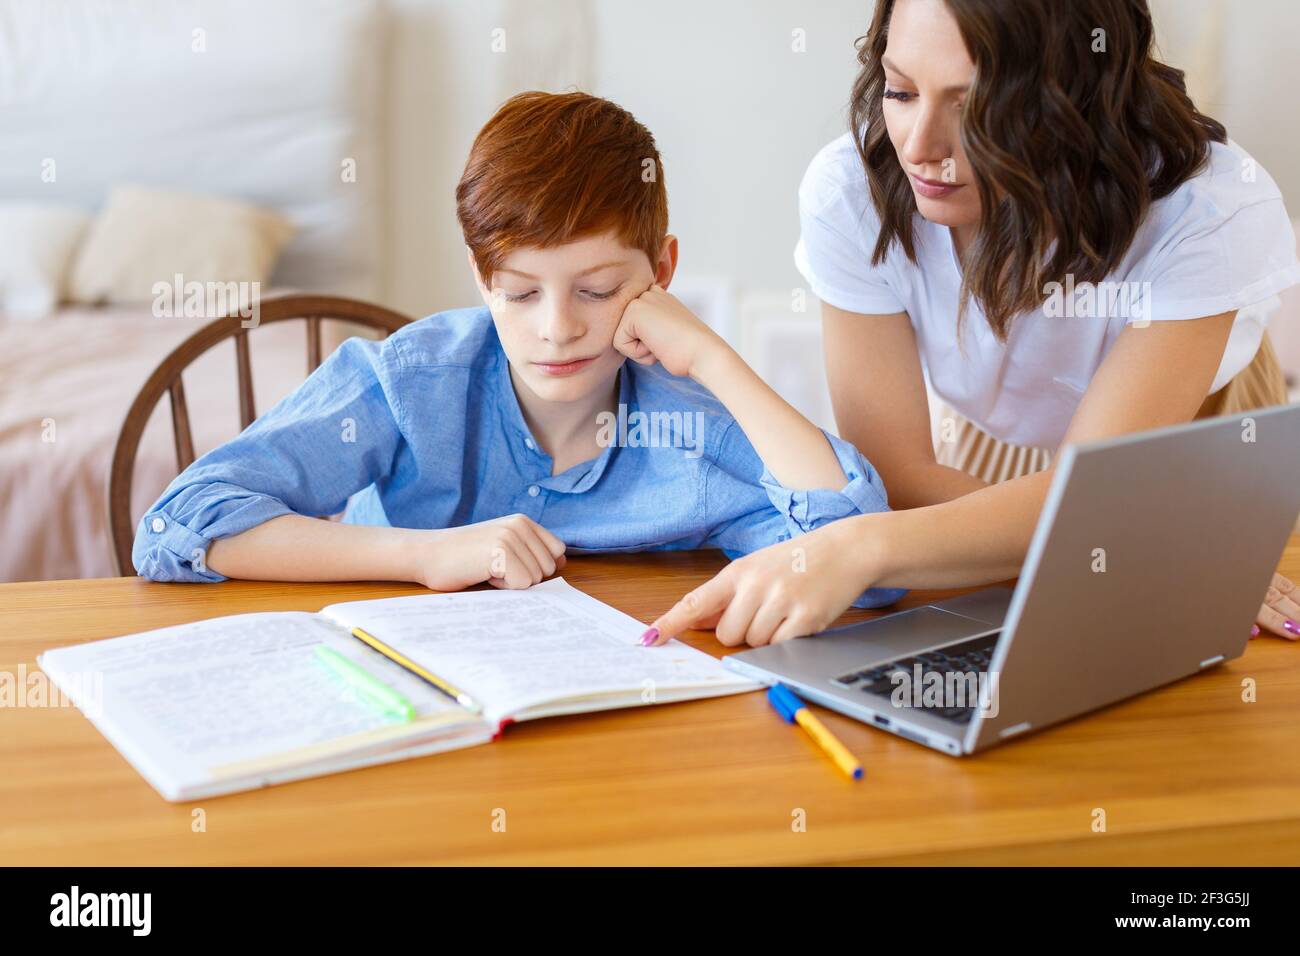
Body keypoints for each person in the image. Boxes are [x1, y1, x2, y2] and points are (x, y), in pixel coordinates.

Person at [643, 0, 1300, 648]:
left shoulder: (1204, 212)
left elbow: (1094, 499)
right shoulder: (851, 194)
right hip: (990, 441)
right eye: (900, 91)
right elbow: (898, 472)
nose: (920, 148)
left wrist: (861, 546)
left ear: (1074, 98)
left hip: (1186, 430)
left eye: (972, 108)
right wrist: (1105, 541)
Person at [132, 91, 907, 615]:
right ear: (482, 279)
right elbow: (176, 526)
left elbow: (861, 557)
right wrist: (425, 556)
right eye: (520, 292)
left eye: (597, 290)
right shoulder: (411, 384)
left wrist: (712, 357)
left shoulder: (692, 425)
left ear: (661, 272)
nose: (557, 328)